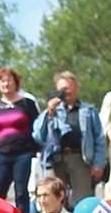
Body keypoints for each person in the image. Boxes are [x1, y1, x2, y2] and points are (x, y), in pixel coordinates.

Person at [35, 71, 105, 203]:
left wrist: (99, 165)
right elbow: (38, 135)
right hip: (56, 159)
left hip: (80, 159)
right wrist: (49, 113)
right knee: (55, 200)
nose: (64, 92)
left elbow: (99, 138)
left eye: (67, 88)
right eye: (61, 89)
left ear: (77, 88)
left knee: (82, 200)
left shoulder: (88, 110)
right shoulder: (52, 111)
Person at [0, 68, 42, 213]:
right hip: (2, 155)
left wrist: (38, 149)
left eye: (9, 80)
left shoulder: (27, 104)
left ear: (16, 83)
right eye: (2, 81)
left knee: (21, 191)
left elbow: (38, 128)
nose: (6, 83)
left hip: (24, 153)